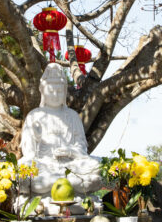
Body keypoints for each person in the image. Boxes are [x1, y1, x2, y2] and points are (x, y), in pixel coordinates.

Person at [19, 64, 102, 202]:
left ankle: (53, 183)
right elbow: (29, 154)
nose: (55, 95)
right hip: (44, 165)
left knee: (95, 166)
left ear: (65, 92)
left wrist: (70, 152)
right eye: (51, 91)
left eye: (59, 91)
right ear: (42, 91)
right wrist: (37, 138)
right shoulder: (34, 116)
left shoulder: (72, 116)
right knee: (22, 167)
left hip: (71, 165)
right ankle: (70, 183)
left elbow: (82, 148)